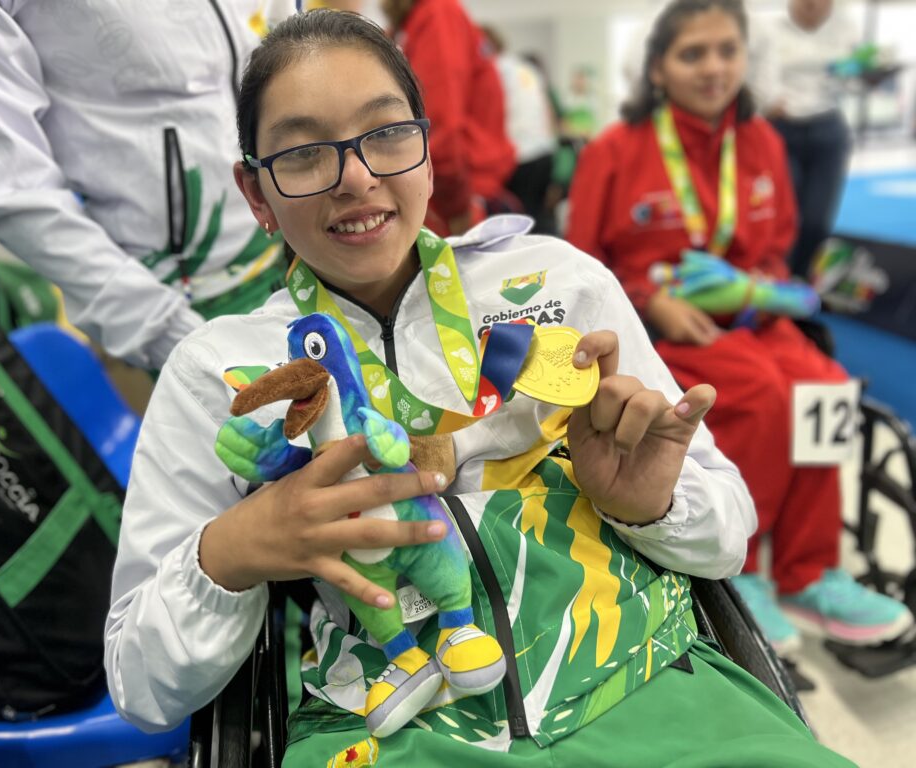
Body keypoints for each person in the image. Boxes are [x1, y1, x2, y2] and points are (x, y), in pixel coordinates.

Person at [105, 10, 855, 765]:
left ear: (429, 153)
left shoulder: (559, 282)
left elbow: (727, 535)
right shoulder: (217, 371)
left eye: (387, 134)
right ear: (256, 193)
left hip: (650, 687)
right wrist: (232, 552)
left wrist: (649, 505)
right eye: (303, 154)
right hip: (391, 730)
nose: (358, 178)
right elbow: (141, 687)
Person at [565, 0, 911, 657]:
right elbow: (582, 267)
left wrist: (757, 290)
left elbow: (776, 250)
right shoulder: (615, 151)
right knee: (756, 393)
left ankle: (811, 573)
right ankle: (741, 567)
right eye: (693, 53)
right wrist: (648, 300)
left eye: (728, 50)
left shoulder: (759, 144)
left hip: (748, 318)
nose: (714, 67)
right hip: (659, 329)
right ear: (659, 69)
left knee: (825, 382)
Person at [0, 0, 297, 371]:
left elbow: (268, 29)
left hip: (302, 241)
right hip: (183, 297)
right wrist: (160, 330)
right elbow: (3, 177)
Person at [381, 0, 516, 235]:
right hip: (459, 195)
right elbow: (440, 123)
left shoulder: (410, 24)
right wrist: (457, 206)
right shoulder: (438, 13)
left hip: (439, 189)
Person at [750, 0, 858, 278]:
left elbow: (854, 79)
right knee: (783, 218)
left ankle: (800, 283)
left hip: (828, 128)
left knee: (817, 220)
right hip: (782, 129)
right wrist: (769, 103)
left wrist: (867, 77)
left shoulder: (847, 30)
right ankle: (777, 282)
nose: (811, 3)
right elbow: (754, 76)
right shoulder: (768, 29)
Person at [482, 26, 559, 235]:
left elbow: (492, 116)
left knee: (519, 222)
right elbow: (547, 110)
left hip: (521, 155)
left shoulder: (493, 69)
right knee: (539, 216)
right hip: (545, 151)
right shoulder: (525, 67)